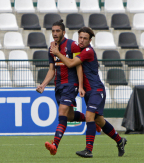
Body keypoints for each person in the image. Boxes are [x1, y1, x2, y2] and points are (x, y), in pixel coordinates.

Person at [50, 27, 127, 158]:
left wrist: (57, 53)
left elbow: (71, 63)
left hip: (96, 90)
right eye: (80, 37)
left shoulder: (87, 51)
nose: (82, 40)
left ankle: (88, 150)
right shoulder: (78, 50)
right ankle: (120, 141)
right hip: (88, 92)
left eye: (85, 38)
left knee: (90, 116)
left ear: (90, 40)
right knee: (100, 121)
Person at [36, 20, 86, 155]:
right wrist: (43, 85)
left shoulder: (72, 45)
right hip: (58, 86)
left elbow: (78, 65)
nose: (55, 33)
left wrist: (80, 86)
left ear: (64, 32)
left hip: (71, 85)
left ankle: (55, 145)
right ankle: (91, 119)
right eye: (53, 31)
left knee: (62, 111)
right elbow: (52, 69)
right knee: (68, 116)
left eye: (58, 31)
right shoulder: (51, 48)